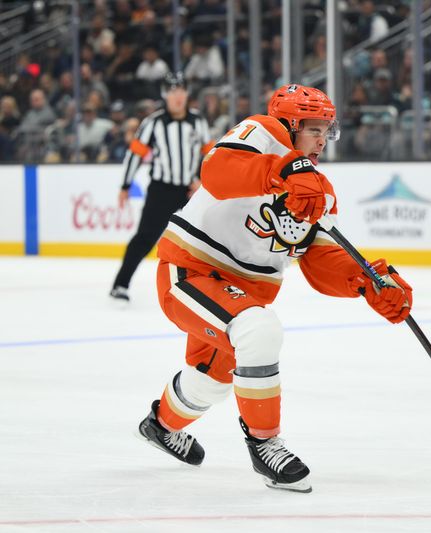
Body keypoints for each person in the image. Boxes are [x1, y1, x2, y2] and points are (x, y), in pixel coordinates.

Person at [135, 83, 413, 493]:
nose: (322, 139)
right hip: (191, 271)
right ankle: (265, 444)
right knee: (259, 331)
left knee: (211, 379)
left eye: (327, 130)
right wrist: (281, 170)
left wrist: (366, 281)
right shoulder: (260, 132)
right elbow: (216, 171)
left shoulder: (321, 190)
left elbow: (319, 262)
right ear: (289, 124)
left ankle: (160, 426)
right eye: (314, 129)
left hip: (243, 294)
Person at [109, 72, 213, 302]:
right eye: (173, 91)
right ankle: (120, 284)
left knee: (208, 236)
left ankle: (211, 286)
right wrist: (125, 185)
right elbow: (135, 155)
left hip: (190, 190)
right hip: (162, 189)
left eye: (182, 90)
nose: (178, 96)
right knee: (145, 238)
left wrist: (201, 181)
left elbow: (209, 156)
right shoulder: (153, 123)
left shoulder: (198, 121)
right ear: (165, 95)